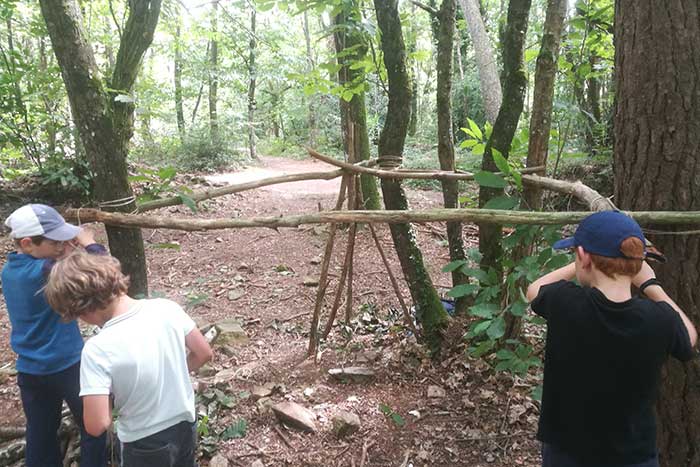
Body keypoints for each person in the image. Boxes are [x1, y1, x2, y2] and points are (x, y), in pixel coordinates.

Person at [526, 210, 697, 467]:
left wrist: (578, 265)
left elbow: (534, 291)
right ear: (639, 264)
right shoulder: (659, 319)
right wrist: (650, 283)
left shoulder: (566, 303)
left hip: (567, 453)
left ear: (583, 257)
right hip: (633, 457)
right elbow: (689, 337)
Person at [45, 251, 213, 467]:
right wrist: (172, 371)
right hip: (185, 426)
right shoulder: (166, 307)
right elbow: (204, 353)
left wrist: (107, 398)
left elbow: (97, 424)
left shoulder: (97, 349)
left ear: (82, 308)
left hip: (143, 442)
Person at [1, 204, 107, 467]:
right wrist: (89, 243)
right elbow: (102, 269)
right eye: (55, 241)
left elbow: (55, 261)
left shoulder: (9, 271)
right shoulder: (45, 270)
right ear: (27, 243)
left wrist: (63, 251)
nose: (62, 245)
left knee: (40, 434)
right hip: (67, 365)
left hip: (30, 370)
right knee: (93, 427)